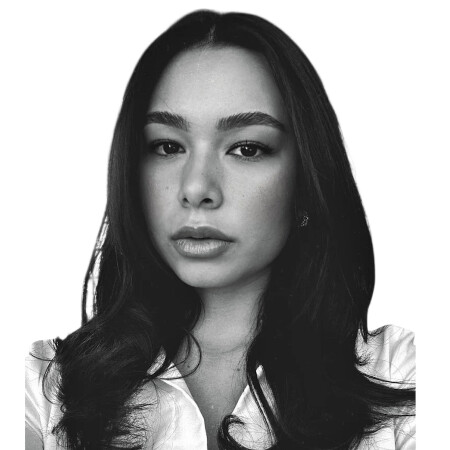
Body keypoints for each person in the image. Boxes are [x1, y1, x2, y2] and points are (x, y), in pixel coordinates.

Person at [25, 10, 415, 450]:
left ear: (307, 180)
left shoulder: (403, 376)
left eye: (246, 148)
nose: (196, 189)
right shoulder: (44, 387)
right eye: (167, 146)